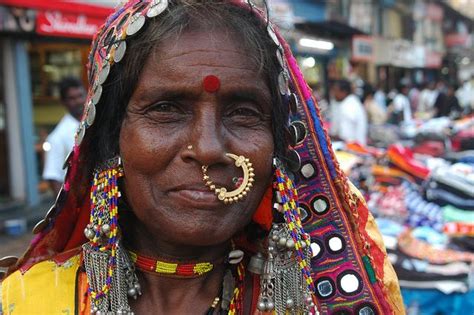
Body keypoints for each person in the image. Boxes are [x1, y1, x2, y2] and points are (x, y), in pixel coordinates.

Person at [0, 1, 403, 314]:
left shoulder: (317, 302)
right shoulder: (25, 300)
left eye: (243, 112)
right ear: (111, 140)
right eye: (166, 108)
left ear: (279, 152)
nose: (209, 148)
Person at [42, 77, 85, 195]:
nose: (78, 101)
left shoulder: (94, 123)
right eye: (72, 98)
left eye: (80, 96)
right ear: (63, 102)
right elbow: (53, 177)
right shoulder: (57, 136)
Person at [330, 79, 368, 145]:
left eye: (336, 90)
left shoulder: (346, 106)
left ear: (343, 92)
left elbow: (344, 137)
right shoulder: (352, 102)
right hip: (357, 145)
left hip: (353, 148)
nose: (333, 93)